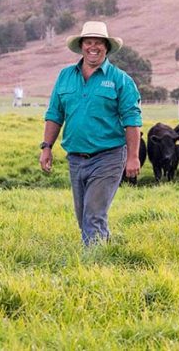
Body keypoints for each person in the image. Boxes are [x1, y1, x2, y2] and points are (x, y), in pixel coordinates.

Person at [39, 21, 142, 245]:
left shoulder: (120, 80)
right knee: (83, 217)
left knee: (93, 215)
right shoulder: (65, 76)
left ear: (106, 47)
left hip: (109, 156)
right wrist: (46, 147)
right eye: (88, 42)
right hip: (76, 157)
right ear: (81, 46)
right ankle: (108, 254)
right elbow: (55, 113)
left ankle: (92, 268)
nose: (93, 47)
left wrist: (133, 157)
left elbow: (132, 121)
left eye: (98, 43)